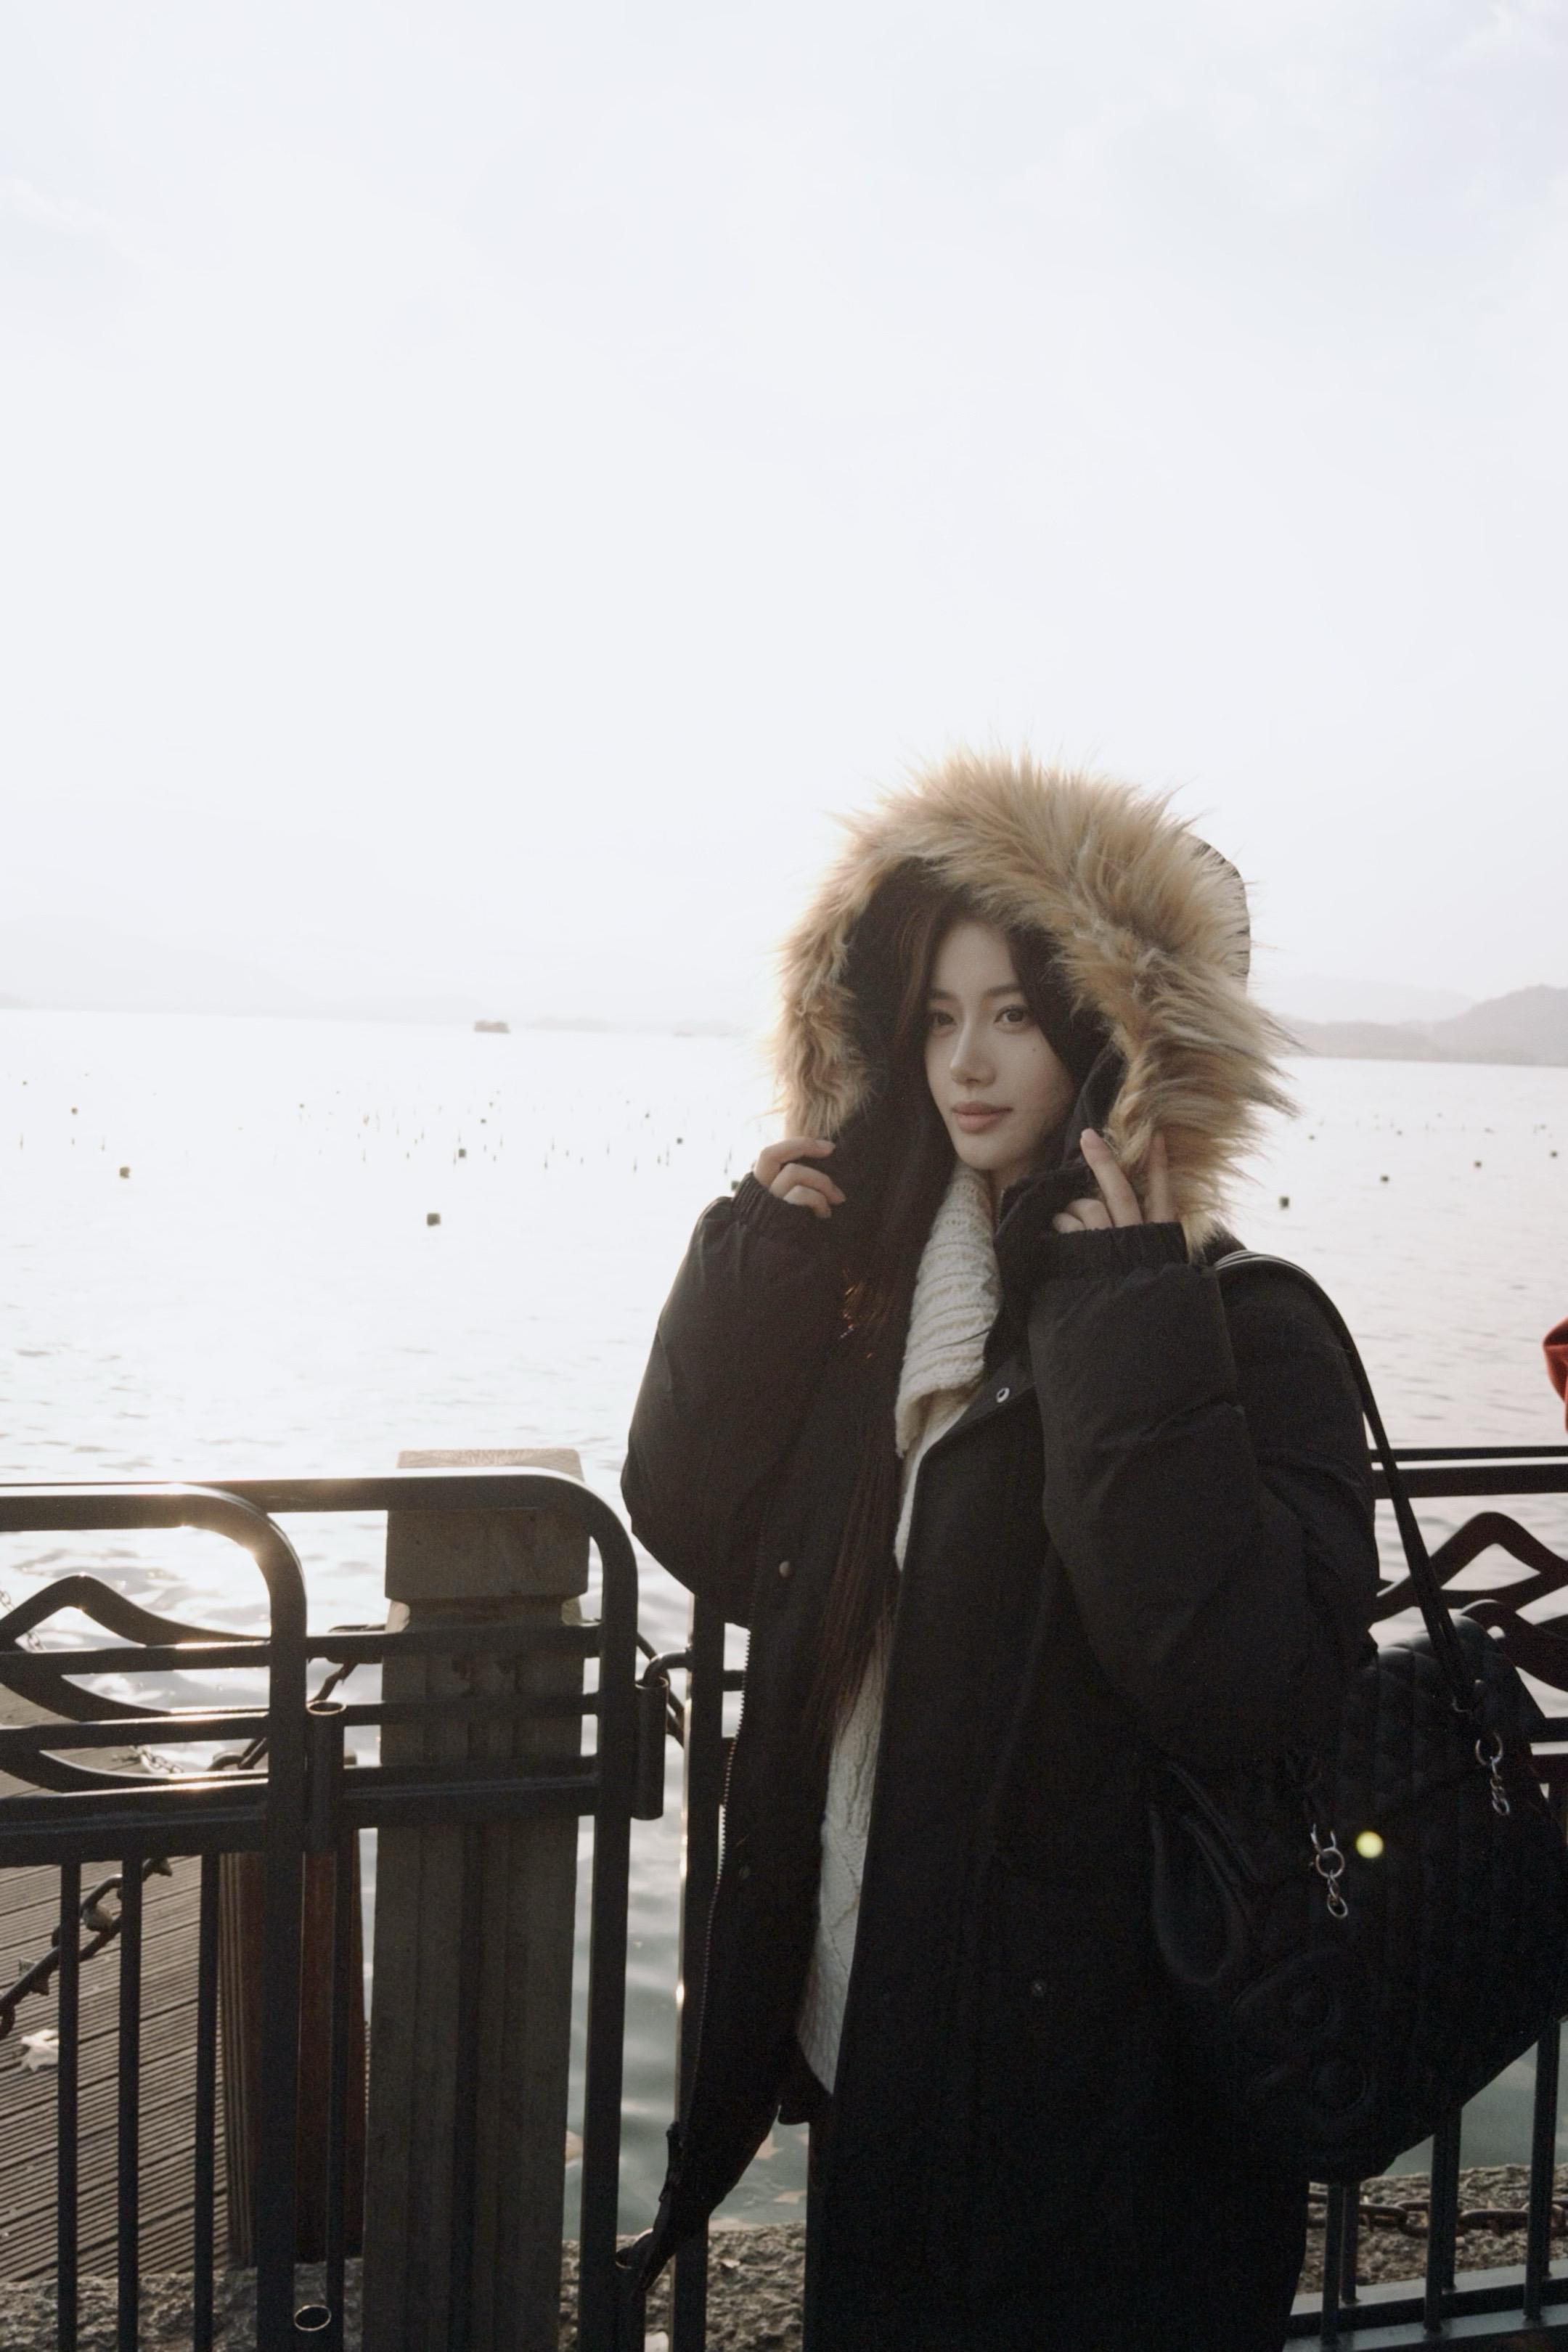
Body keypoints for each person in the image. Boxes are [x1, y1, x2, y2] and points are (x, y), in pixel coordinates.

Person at [619, 751, 1379, 2351]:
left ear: (1114, 1035)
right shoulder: (888, 1317)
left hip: (1116, 2114)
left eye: (1018, 1015)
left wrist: (1124, 1318)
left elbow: (1242, 1685)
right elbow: (709, 1529)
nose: (968, 1061)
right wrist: (764, 1264)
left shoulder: (1247, 1330)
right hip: (882, 2041)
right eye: (938, 1016)